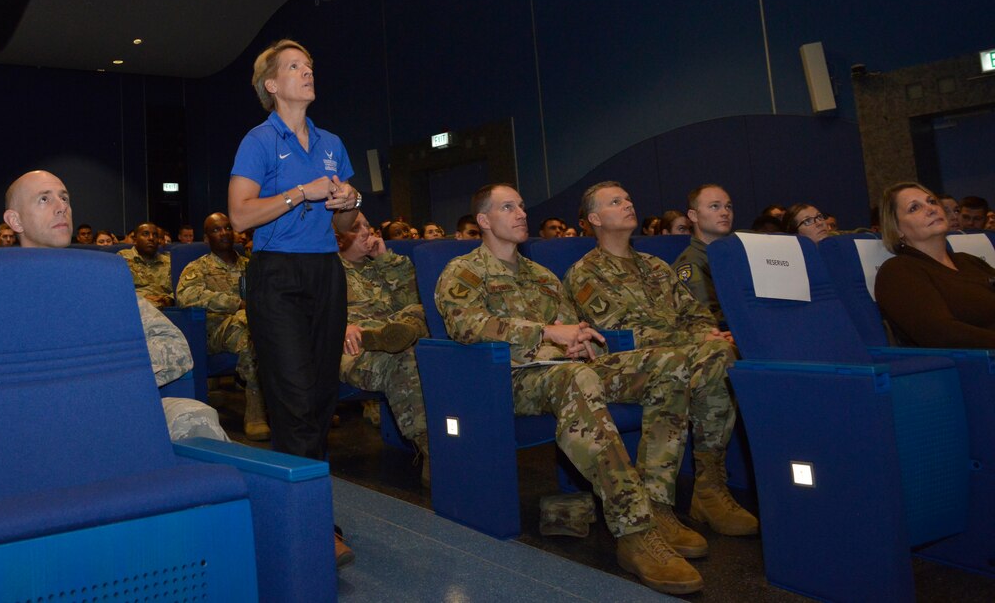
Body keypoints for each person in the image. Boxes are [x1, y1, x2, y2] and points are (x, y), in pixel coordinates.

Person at [436, 183, 703, 595]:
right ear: (484, 221)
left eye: (522, 206)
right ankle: (634, 530)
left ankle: (657, 502)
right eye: (509, 207)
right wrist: (547, 333)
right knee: (576, 377)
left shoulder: (542, 276)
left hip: (562, 367)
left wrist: (576, 337)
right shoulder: (464, 272)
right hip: (506, 380)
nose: (522, 213)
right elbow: (467, 326)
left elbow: (568, 328)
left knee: (669, 366)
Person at [564, 182, 757, 544]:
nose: (628, 204)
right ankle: (656, 503)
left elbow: (693, 314)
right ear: (594, 219)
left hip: (671, 356)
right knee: (678, 361)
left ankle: (710, 487)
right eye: (615, 202)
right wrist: (694, 340)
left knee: (721, 354)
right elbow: (625, 333)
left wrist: (708, 335)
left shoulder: (655, 267)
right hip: (617, 364)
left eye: (629, 198)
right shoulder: (586, 273)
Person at [228, 39, 359, 566]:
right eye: (294, 67)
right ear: (272, 85)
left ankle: (299, 507)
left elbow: (344, 227)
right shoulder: (259, 141)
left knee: (322, 396)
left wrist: (348, 204)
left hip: (326, 270)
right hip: (277, 274)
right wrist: (299, 193)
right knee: (294, 398)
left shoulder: (332, 142)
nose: (306, 72)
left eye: (309, 64)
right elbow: (239, 216)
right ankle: (312, 521)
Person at [3, 170, 229, 442]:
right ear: (14, 220)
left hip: (112, 403)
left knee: (196, 416)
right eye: (44, 199)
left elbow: (175, 348)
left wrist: (103, 373)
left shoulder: (101, 279)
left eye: (65, 198)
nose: (61, 207)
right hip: (36, 420)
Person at [337, 212, 430, 480]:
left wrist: (386, 260)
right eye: (357, 227)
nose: (368, 232)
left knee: (422, 313)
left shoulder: (383, 265)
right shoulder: (324, 269)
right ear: (338, 235)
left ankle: (402, 333)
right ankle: (431, 448)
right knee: (405, 358)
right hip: (353, 347)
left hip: (395, 333)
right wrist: (338, 326)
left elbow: (411, 300)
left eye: (369, 225)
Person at [176, 213, 269, 441]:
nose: (224, 233)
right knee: (249, 330)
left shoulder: (251, 264)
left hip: (256, 324)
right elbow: (186, 296)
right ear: (207, 238)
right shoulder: (198, 267)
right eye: (216, 230)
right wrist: (236, 302)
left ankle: (292, 405)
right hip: (214, 331)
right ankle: (256, 412)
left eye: (227, 228)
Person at [875, 182, 995, 348]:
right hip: (971, 366)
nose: (931, 209)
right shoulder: (898, 271)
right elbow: (942, 333)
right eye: (914, 208)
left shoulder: (968, 261)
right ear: (896, 229)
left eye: (931, 201)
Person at [673, 185, 733, 326]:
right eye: (714, 206)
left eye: (728, 207)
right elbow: (709, 316)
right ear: (693, 216)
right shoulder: (691, 263)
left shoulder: (734, 255)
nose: (725, 212)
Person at [118, 223, 173, 307]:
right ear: (135, 239)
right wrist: (141, 298)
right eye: (146, 234)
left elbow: (179, 289)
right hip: (134, 308)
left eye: (155, 235)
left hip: (165, 310)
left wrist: (168, 300)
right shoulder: (122, 258)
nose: (151, 238)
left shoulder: (169, 262)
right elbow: (117, 289)